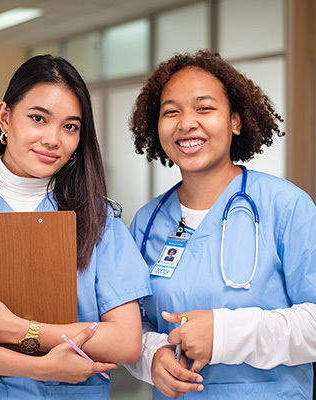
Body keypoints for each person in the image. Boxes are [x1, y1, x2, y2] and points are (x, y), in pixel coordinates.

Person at [0, 54, 151, 400]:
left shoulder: (98, 218)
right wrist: (40, 367)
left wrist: (19, 330)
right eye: (38, 118)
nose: (53, 139)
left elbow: (125, 341)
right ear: (4, 118)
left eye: (70, 126)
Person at [125, 50, 316, 399]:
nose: (186, 123)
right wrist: (153, 355)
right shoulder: (146, 222)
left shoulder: (286, 207)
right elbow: (131, 325)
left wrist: (225, 334)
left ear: (235, 122)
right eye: (171, 112)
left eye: (204, 108)